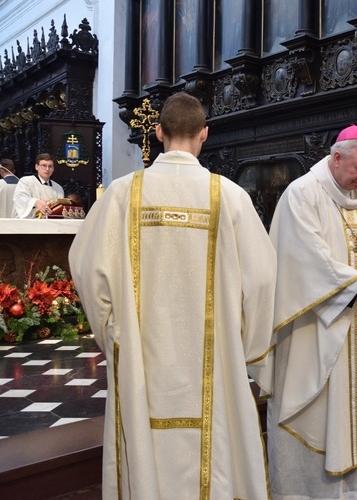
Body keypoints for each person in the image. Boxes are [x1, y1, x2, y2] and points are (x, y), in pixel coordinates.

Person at [68, 92, 277, 500]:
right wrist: (248, 350)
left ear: (159, 132)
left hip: (140, 359)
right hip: (216, 360)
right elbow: (263, 279)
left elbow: (87, 269)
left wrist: (113, 334)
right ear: (205, 134)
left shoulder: (121, 194)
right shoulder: (230, 197)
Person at [259, 124, 357, 499]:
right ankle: (303, 491)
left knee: (348, 412)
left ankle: (350, 490)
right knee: (316, 411)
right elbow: (305, 259)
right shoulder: (302, 195)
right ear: (336, 158)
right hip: (313, 329)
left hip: (354, 326)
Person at [12, 152, 64, 218]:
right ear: (36, 167)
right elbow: (19, 198)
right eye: (44, 166)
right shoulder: (26, 181)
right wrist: (35, 202)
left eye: (50, 166)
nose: (47, 169)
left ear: (53, 169)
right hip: (29, 223)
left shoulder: (58, 188)